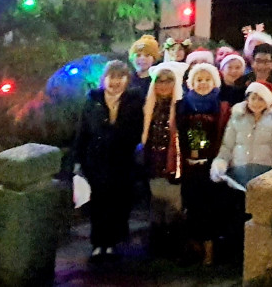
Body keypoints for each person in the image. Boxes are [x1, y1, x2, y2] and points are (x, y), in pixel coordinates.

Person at [73, 60, 144, 259]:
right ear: (104, 79)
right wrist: (77, 160)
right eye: (111, 77)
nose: (115, 82)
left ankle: (113, 241)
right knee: (98, 203)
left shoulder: (135, 100)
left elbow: (138, 130)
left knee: (119, 202)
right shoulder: (92, 100)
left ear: (127, 80)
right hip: (96, 160)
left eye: (120, 77)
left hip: (123, 160)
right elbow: (83, 131)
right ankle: (98, 243)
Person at [211, 81, 272, 254]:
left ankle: (258, 253)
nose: (256, 102)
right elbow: (227, 144)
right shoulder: (236, 117)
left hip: (263, 177)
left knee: (260, 217)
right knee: (238, 215)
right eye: (253, 98)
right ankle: (238, 251)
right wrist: (221, 161)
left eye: (261, 99)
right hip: (238, 175)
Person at [174, 63, 224, 265]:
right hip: (188, 164)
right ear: (191, 83)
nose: (203, 83)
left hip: (210, 163)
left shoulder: (220, 105)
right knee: (191, 205)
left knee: (209, 208)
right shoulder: (183, 104)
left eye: (207, 79)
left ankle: (209, 252)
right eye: (198, 80)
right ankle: (192, 247)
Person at [141, 63, 183, 249]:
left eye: (169, 81)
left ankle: (172, 242)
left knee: (174, 203)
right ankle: (157, 242)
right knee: (156, 202)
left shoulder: (183, 105)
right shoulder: (147, 107)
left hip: (173, 161)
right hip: (153, 160)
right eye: (160, 81)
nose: (164, 85)